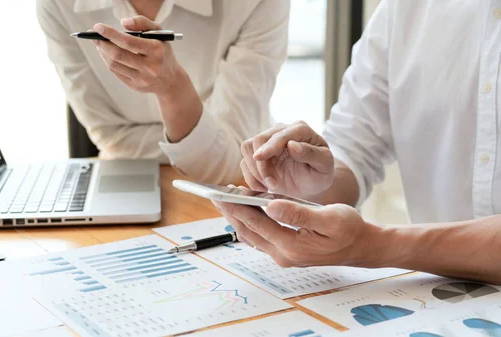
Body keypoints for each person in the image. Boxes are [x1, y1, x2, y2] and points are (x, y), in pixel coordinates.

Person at [213, 0, 501, 285]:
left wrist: (377, 246)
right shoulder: (403, 9)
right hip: (437, 296)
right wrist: (311, 182)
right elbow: (353, 150)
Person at [36, 0, 289, 183]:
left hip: (238, 192)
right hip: (126, 181)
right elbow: (109, 135)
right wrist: (203, 139)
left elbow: (234, 163)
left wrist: (173, 88)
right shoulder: (58, 4)